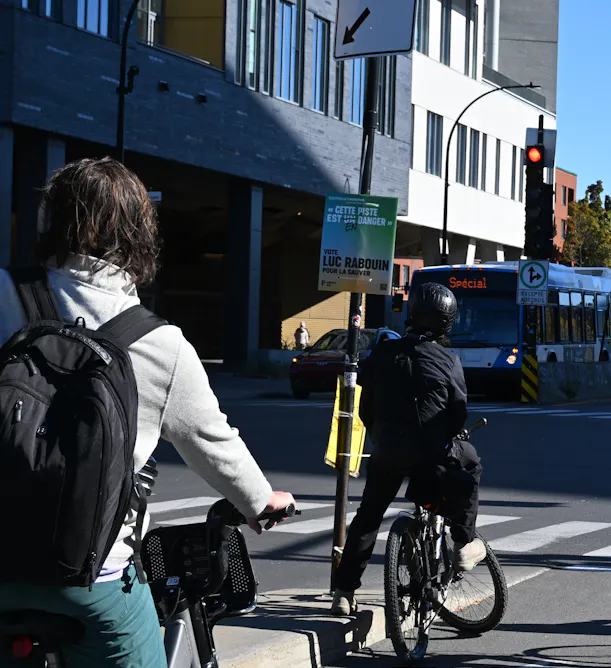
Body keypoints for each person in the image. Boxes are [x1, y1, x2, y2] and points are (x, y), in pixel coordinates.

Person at [0, 157, 296, 667]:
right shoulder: (161, 343)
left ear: (50, 221)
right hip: (95, 578)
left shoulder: (4, 294)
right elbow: (212, 441)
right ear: (138, 234)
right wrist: (259, 501)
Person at [330, 281, 485, 615]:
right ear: (448, 321)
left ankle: (343, 592)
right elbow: (458, 413)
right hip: (431, 455)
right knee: (469, 465)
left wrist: (383, 436)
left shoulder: (382, 354)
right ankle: (463, 542)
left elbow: (365, 407)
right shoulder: (448, 360)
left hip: (387, 451)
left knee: (368, 518)